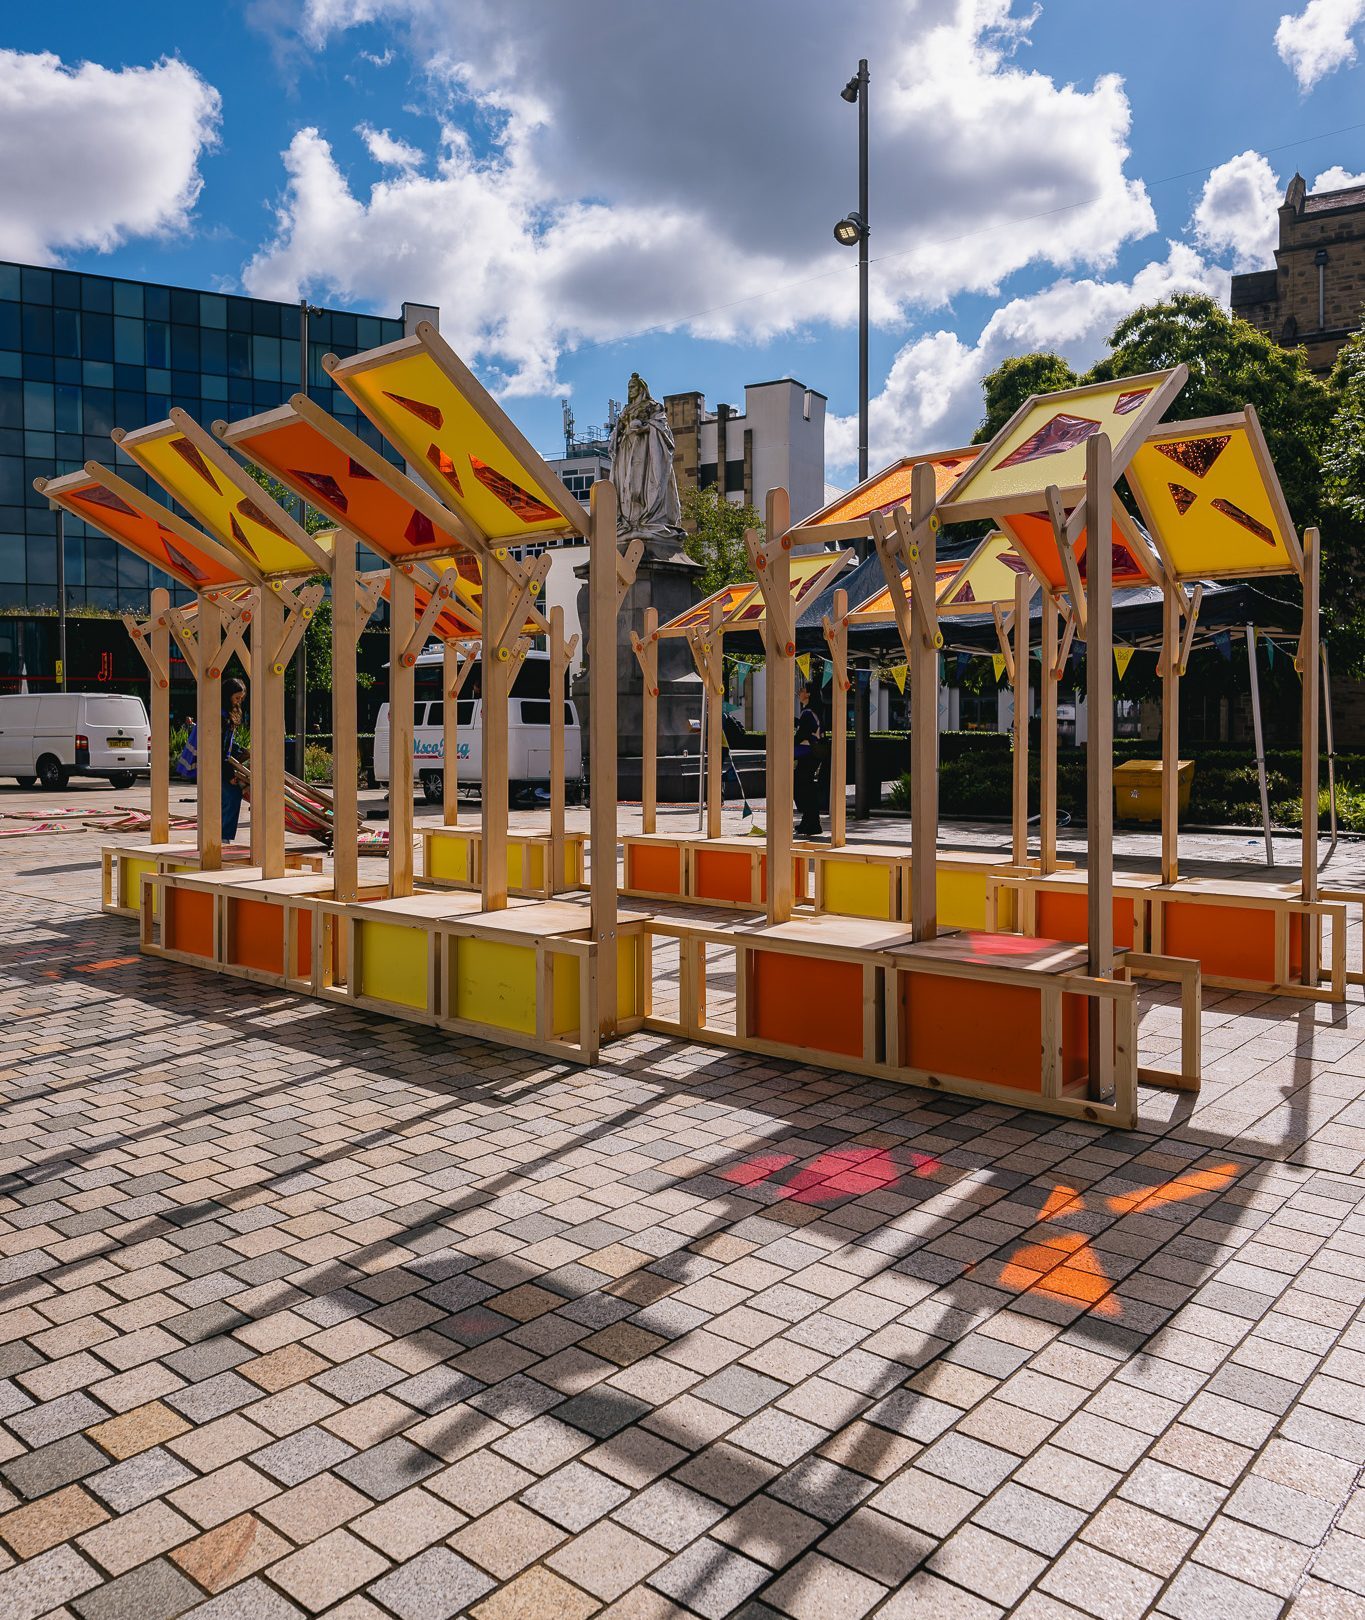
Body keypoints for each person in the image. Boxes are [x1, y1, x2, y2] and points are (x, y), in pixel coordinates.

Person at [794, 682, 823, 837]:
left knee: (802, 788)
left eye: (802, 690)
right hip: (812, 755)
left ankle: (811, 823)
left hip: (807, 755)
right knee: (807, 788)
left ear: (809, 694)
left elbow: (802, 734)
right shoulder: (811, 712)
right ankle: (809, 822)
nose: (799, 692)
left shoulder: (807, 713)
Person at [221, 678, 247, 844]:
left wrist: (242, 751)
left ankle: (222, 835)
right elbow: (220, 747)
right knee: (232, 795)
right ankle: (223, 836)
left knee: (226, 798)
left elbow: (228, 744)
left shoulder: (227, 714)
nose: (238, 701)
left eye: (240, 698)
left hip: (222, 762)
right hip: (217, 764)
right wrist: (229, 773)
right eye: (236, 698)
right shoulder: (222, 716)